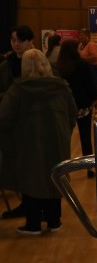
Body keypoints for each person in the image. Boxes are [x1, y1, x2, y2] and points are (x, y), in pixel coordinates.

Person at [0, 49, 77, 234]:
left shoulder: (18, 90)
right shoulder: (61, 87)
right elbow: (72, 113)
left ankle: (33, 223)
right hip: (57, 140)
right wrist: (63, 132)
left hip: (28, 143)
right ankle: (54, 220)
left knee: (31, 178)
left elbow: (4, 118)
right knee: (54, 177)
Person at [0, 25, 35, 220]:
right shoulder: (6, 65)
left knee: (35, 167)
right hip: (13, 124)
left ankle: (36, 207)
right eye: (13, 40)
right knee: (18, 167)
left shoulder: (39, 62)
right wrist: (10, 99)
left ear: (29, 40)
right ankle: (25, 204)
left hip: (34, 123)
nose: (16, 44)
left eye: (19, 40)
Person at [57, 40, 97, 178]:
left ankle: (64, 170)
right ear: (75, 50)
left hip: (65, 107)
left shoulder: (59, 67)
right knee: (85, 137)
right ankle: (89, 169)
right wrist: (94, 99)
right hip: (83, 106)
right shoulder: (83, 65)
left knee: (65, 139)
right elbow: (90, 86)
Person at [77, 28, 97, 95]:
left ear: (87, 36)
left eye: (82, 35)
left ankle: (96, 101)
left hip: (93, 68)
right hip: (86, 69)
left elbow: (95, 57)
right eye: (79, 35)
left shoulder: (91, 44)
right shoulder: (81, 45)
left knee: (94, 87)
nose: (80, 37)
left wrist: (83, 59)